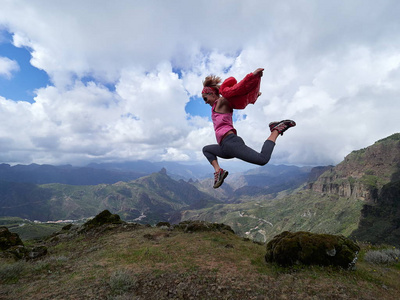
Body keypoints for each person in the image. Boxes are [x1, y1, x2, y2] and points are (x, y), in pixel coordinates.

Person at [202, 68, 296, 188]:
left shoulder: (221, 101)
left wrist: (252, 77)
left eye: (205, 98)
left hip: (231, 143)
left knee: (262, 159)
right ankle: (218, 171)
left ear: (212, 94)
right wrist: (255, 95)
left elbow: (237, 90)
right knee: (206, 149)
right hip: (224, 147)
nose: (205, 102)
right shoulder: (215, 105)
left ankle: (276, 129)